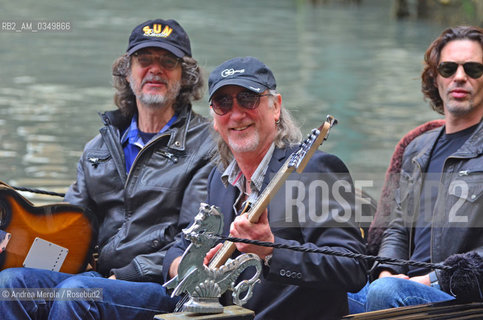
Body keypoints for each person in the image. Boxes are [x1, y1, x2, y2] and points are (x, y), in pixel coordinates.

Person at [0, 19, 215, 319]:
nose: (156, 69)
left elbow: (194, 239)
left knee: (76, 293)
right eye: (144, 60)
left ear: (185, 77)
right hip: (94, 278)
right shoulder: (97, 148)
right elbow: (67, 229)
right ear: (127, 73)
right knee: (10, 284)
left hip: (160, 285)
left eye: (168, 61)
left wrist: (129, 273)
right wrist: (12, 242)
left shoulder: (207, 145)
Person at [163, 56, 367, 319]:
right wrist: (188, 267)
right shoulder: (219, 180)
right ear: (214, 118)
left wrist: (271, 249)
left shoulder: (314, 171)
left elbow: (352, 268)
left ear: (276, 107)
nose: (236, 113)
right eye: (223, 103)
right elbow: (179, 248)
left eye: (248, 99)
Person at [364, 25, 483, 312]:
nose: (459, 77)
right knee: (322, 294)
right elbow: (397, 227)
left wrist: (430, 281)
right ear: (435, 77)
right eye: (447, 68)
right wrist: (387, 271)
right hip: (401, 286)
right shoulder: (417, 147)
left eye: (473, 69)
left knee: (384, 294)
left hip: (463, 298)